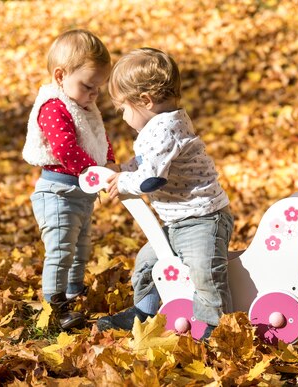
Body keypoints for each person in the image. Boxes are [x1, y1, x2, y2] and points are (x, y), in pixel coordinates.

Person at [96, 47, 234, 341]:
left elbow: (151, 180)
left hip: (203, 219)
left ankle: (217, 328)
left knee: (204, 271)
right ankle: (143, 311)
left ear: (145, 100)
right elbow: (147, 163)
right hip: (177, 221)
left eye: (123, 109)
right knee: (148, 263)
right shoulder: (161, 125)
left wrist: (123, 182)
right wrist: (121, 169)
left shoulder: (165, 128)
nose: (123, 118)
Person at [22, 29, 117, 330]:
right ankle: (55, 305)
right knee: (61, 249)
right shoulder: (53, 107)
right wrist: (95, 172)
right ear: (61, 76)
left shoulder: (84, 106)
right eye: (89, 86)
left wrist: (110, 161)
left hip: (80, 193)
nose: (94, 95)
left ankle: (75, 290)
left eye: (98, 89)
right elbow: (65, 148)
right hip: (57, 192)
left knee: (81, 247)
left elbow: (98, 140)